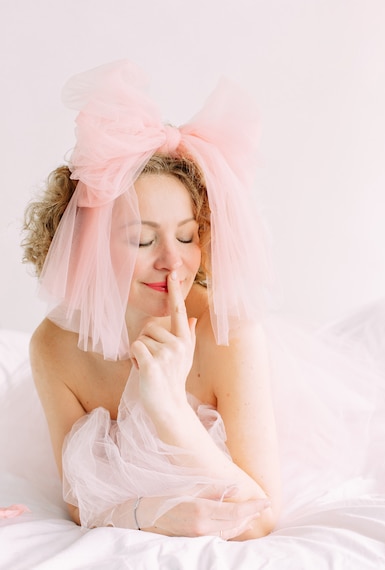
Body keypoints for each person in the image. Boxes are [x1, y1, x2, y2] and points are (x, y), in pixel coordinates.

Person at [22, 60, 280, 540]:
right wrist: (149, 515)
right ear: (89, 248)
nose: (172, 262)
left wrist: (168, 407)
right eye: (142, 241)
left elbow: (262, 516)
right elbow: (79, 501)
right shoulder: (54, 346)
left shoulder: (233, 334)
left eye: (186, 237)